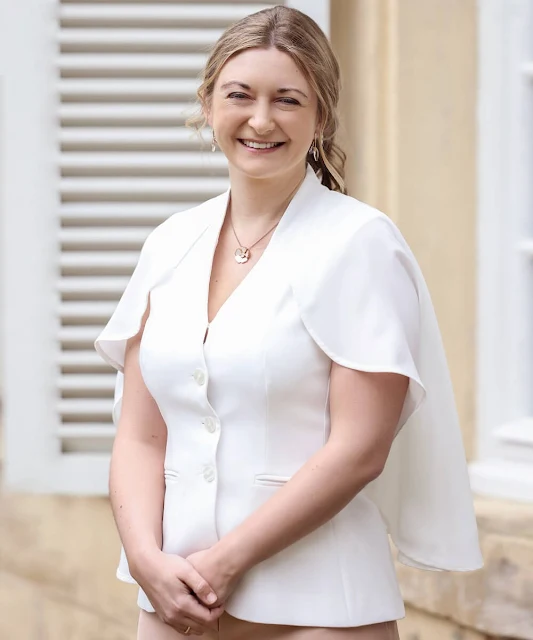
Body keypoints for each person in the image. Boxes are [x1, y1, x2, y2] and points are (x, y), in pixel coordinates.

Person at [95, 6, 483, 639]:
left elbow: (360, 450)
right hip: (174, 602)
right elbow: (142, 436)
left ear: (321, 116)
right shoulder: (171, 243)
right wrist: (145, 560)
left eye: (288, 99)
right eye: (240, 95)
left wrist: (225, 562)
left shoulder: (359, 243)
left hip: (319, 607)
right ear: (208, 102)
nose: (260, 119)